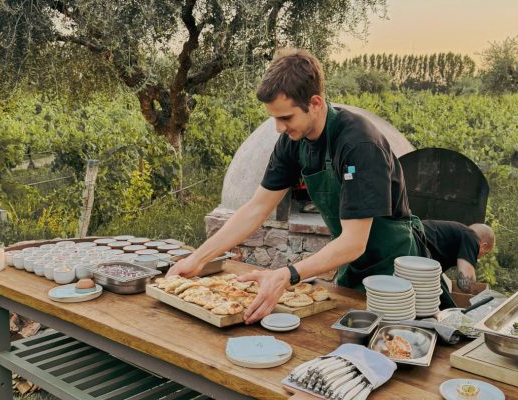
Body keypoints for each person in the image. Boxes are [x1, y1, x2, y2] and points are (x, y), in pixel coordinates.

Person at [167, 48, 431, 324]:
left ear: (315, 103)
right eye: (274, 118)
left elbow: (354, 241)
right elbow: (256, 208)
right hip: (353, 266)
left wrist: (288, 275)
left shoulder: (359, 144)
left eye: (286, 118)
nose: (279, 128)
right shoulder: (292, 142)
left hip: (395, 272)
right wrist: (198, 259)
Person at [421, 220, 495, 293]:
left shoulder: (456, 234)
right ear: (483, 245)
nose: (481, 257)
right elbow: (466, 284)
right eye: (485, 253)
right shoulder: (471, 237)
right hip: (417, 244)